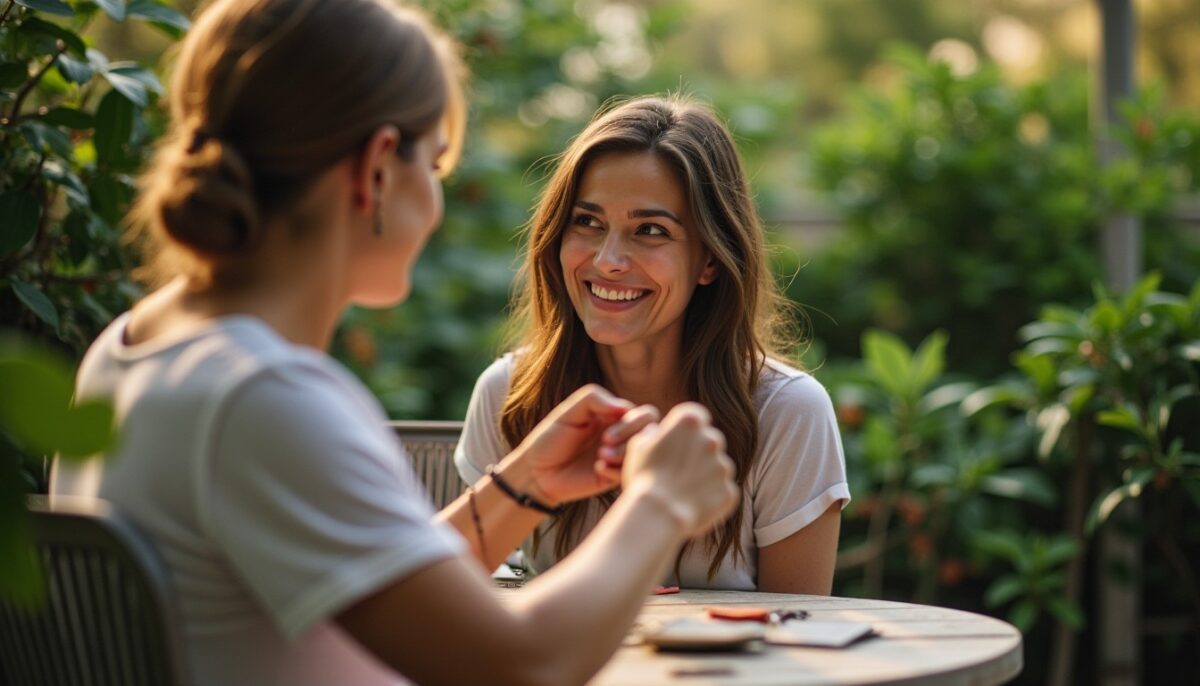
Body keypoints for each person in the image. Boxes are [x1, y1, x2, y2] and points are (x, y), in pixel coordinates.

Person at [49, 1, 739, 685]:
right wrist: (660, 501)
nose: (436, 204)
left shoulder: (130, 348)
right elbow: (523, 662)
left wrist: (523, 485)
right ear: (379, 168)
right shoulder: (262, 398)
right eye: (434, 168)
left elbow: (395, 583)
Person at [455, 96, 850, 594]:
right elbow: (453, 600)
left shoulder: (787, 412)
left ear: (710, 259)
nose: (609, 260)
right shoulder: (509, 394)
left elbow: (802, 635)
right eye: (588, 222)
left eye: (650, 230)